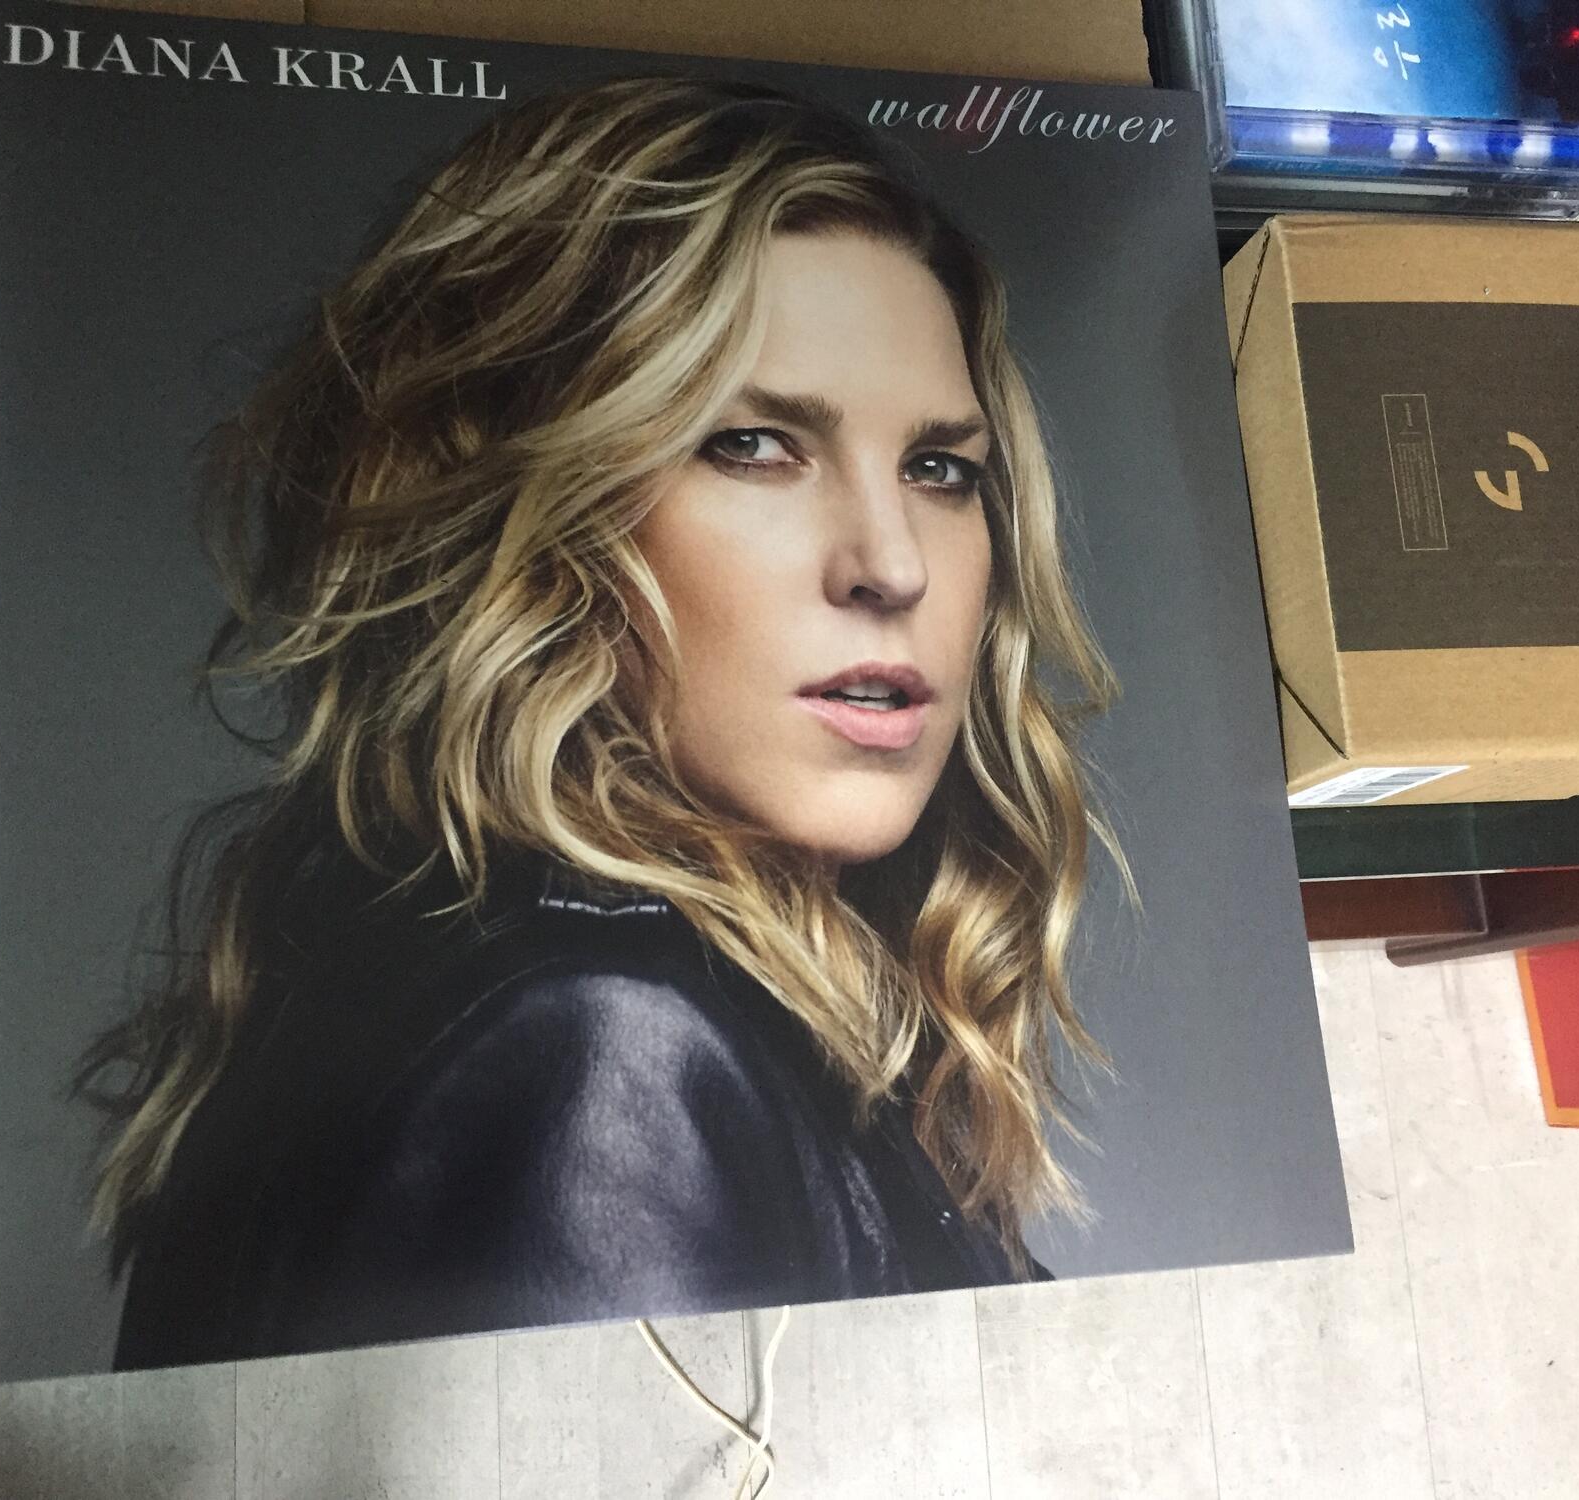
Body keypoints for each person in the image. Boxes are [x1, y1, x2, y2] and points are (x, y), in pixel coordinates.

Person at [79, 76, 1126, 1370]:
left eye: (939, 468)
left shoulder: (551, 991)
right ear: (535, 513)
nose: (893, 564)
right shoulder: (605, 1058)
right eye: (752, 444)